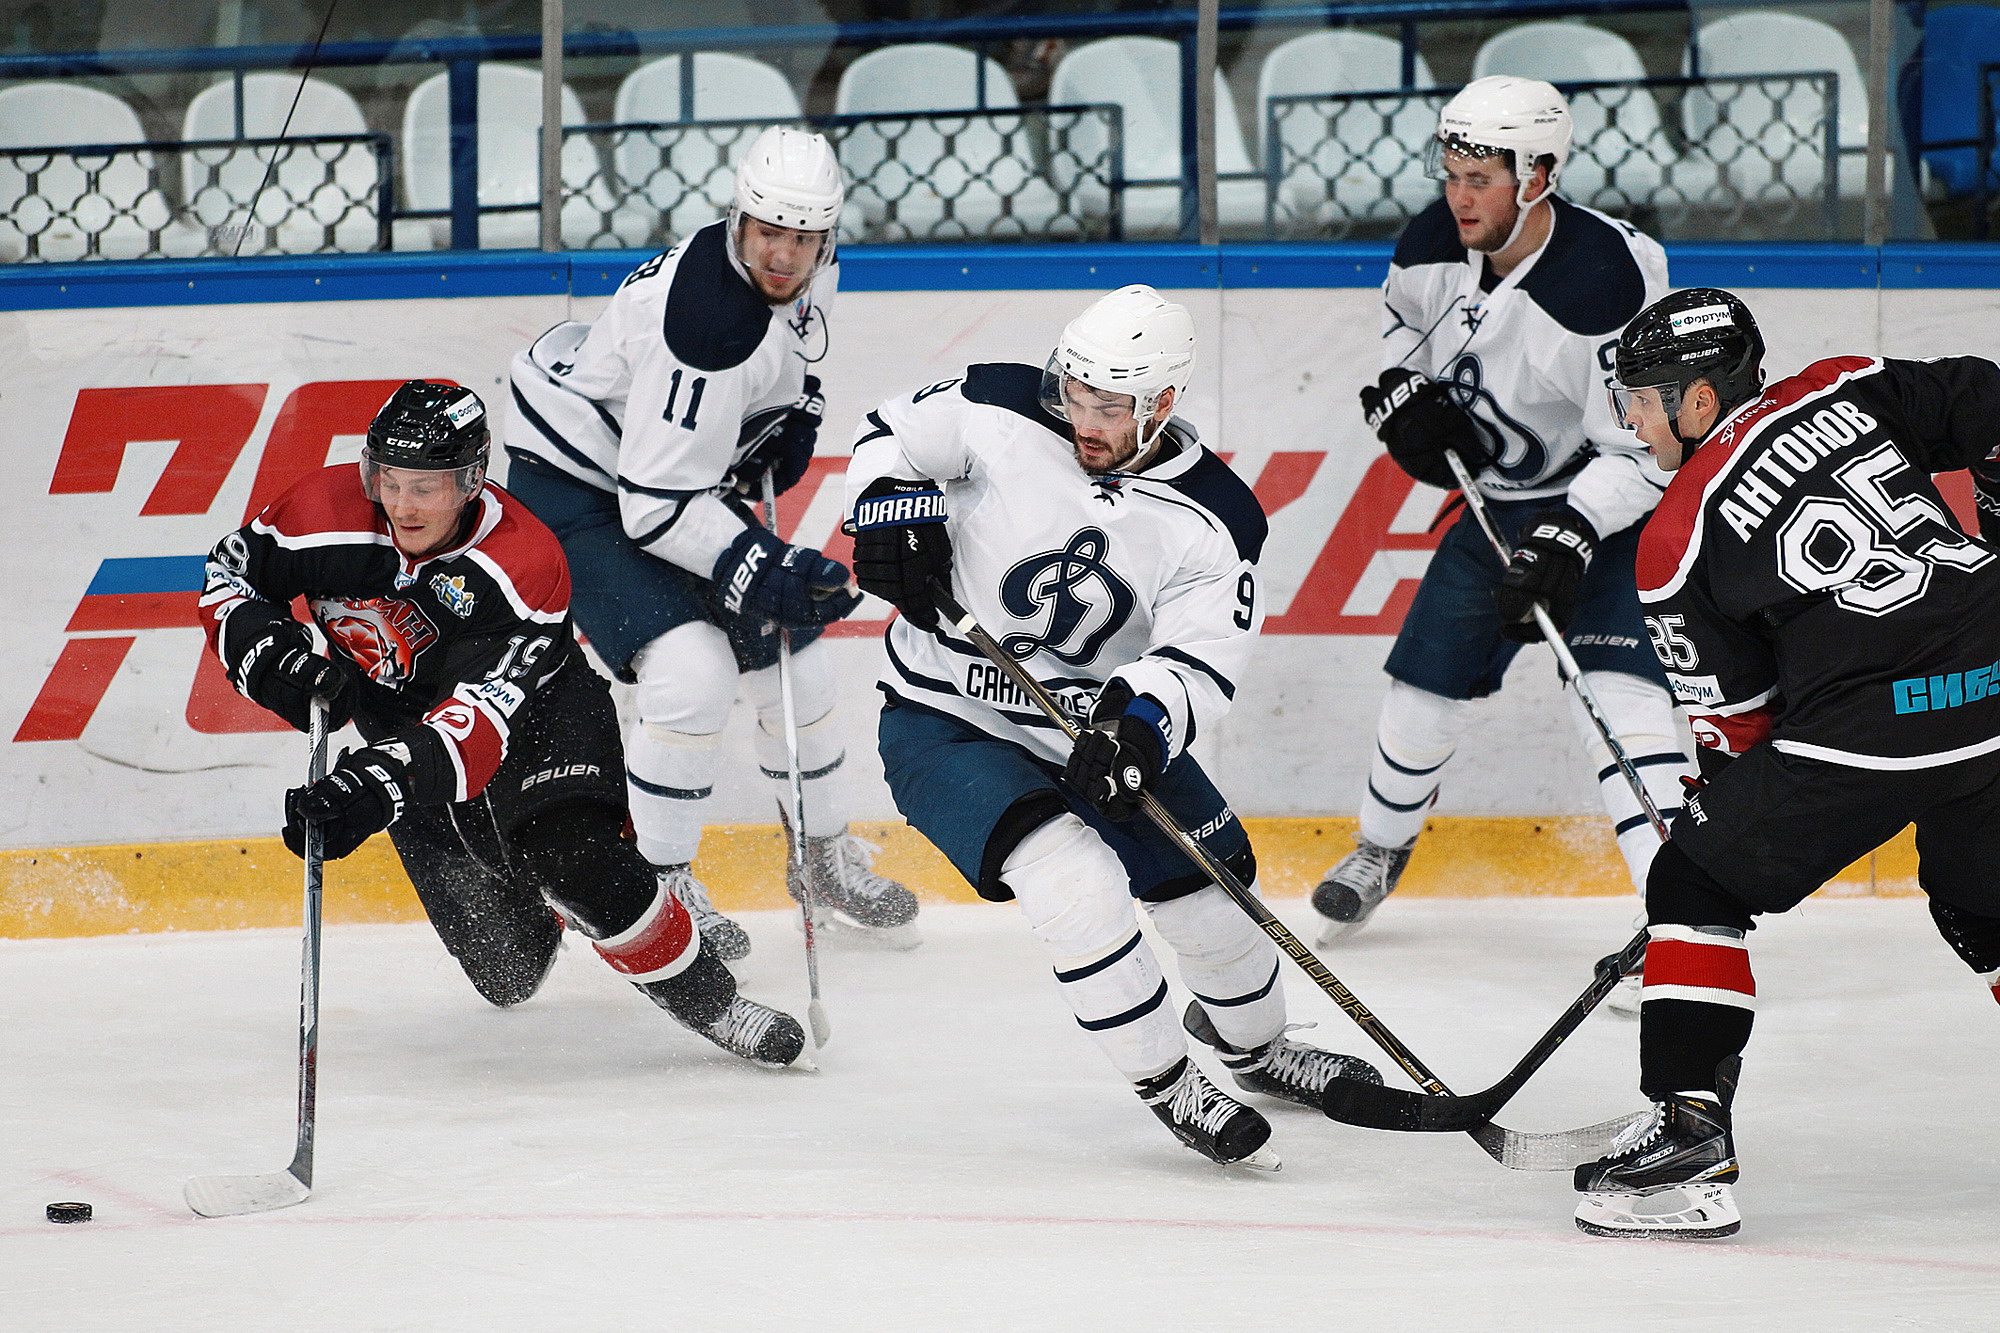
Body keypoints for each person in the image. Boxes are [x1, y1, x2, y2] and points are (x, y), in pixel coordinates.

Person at [845, 285, 1380, 1169]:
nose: (1082, 418)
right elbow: (887, 437)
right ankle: (1169, 1081)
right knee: (1075, 883)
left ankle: (1257, 1049)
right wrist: (889, 510)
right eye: (1074, 393)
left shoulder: (1216, 518)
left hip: (1098, 732)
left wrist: (1139, 729)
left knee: (1216, 889)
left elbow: (1200, 658)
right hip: (946, 716)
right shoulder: (998, 406)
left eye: (1108, 406)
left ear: (1163, 403)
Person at [200, 380, 807, 1069]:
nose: (401, 503)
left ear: (470, 481)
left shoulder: (523, 561)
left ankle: (716, 1003)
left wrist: (370, 786)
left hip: (535, 715)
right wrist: (266, 653)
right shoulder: (319, 511)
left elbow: (473, 730)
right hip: (404, 732)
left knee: (576, 858)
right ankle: (551, 901)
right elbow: (231, 576)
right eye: (388, 480)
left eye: (425, 487)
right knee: (508, 976)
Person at [1572, 288, 2000, 1239]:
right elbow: (1983, 397)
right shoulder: (1844, 384)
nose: (1632, 422)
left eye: (1642, 399)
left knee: (1693, 880)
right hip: (1997, 685)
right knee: (1986, 909)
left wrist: (1712, 833)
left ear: (1695, 400)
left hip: (1874, 727)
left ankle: (1688, 1138)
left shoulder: (1675, 537)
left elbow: (1745, 729)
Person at [503, 125, 919, 959]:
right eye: (769, 234)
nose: (785, 256)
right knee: (693, 670)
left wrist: (788, 412)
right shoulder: (706, 328)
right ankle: (656, 886)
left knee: (793, 657)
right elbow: (653, 508)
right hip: (578, 484)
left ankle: (822, 857)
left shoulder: (808, 265)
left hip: (664, 467)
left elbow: (790, 350)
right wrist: (757, 566)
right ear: (739, 219)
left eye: (804, 239)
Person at [1311, 76, 1691, 951]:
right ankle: (1381, 848)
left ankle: (1679, 915)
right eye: (1452, 172)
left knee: (1624, 703)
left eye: (1481, 177)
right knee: (1419, 694)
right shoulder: (1432, 241)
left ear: (1539, 175)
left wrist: (1575, 530)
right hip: (1499, 510)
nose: (1459, 196)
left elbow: (1647, 448)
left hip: (1612, 514)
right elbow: (1400, 332)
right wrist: (1403, 399)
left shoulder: (1604, 284)